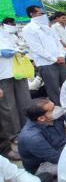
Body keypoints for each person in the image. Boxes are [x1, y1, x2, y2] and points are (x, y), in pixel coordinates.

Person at [22, 6, 66, 106]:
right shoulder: (28, 29)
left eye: (44, 14)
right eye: (41, 13)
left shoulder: (48, 27)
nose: (44, 15)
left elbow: (58, 42)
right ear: (32, 14)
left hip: (60, 60)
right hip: (46, 63)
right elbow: (37, 48)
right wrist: (54, 59)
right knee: (53, 89)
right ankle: (59, 110)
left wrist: (61, 55)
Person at [0, 18, 31, 160]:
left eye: (13, 24)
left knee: (25, 102)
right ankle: (14, 134)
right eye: (10, 24)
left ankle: (28, 127)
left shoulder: (13, 35)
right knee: (8, 107)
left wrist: (22, 51)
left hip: (18, 72)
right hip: (3, 75)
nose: (13, 26)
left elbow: (22, 47)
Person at [18, 98, 66, 175]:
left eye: (54, 106)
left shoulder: (53, 116)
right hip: (43, 165)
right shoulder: (32, 137)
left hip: (61, 149)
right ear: (41, 118)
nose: (57, 109)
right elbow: (56, 158)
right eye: (53, 109)